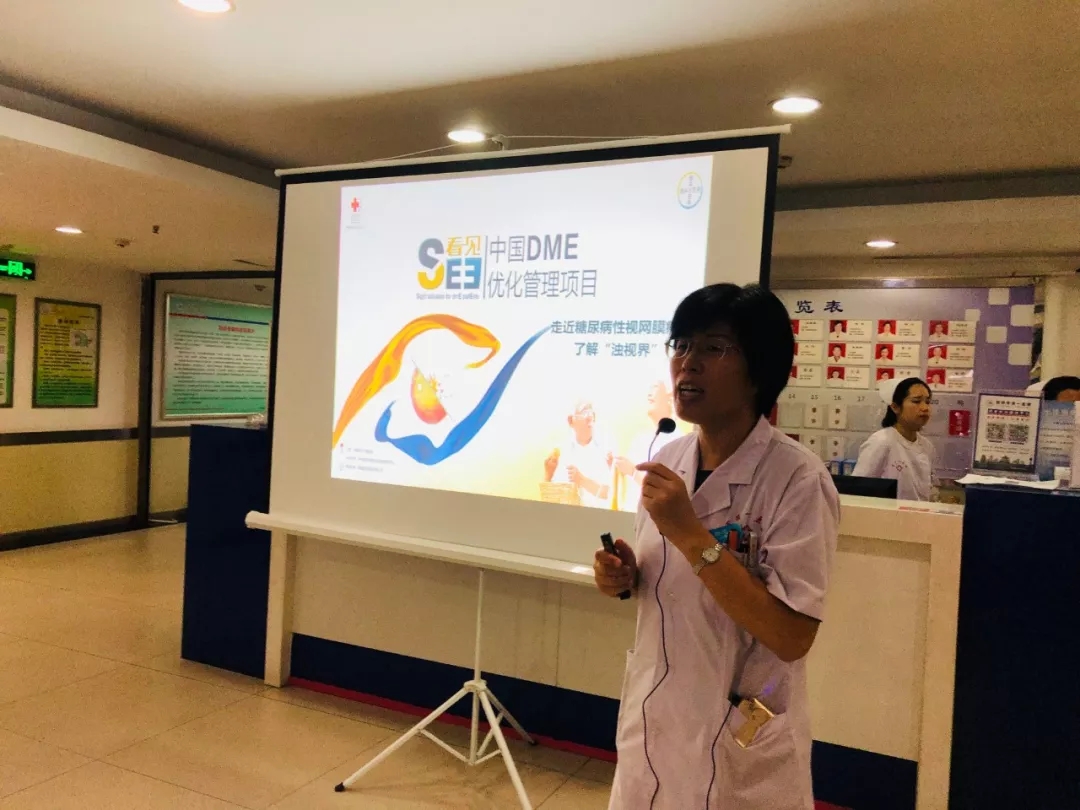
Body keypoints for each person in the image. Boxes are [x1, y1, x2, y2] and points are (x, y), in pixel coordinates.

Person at [593, 283, 838, 809]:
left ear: (759, 370)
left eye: (713, 348)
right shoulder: (669, 462)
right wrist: (625, 577)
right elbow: (671, 588)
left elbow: (792, 635)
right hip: (656, 720)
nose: (687, 363)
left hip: (739, 740)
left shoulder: (796, 478)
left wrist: (689, 534)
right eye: (681, 345)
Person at [852, 377, 936, 501]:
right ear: (895, 407)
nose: (925, 408)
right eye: (916, 401)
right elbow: (857, 490)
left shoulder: (927, 446)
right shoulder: (881, 441)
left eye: (927, 402)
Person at [613, 381, 681, 512]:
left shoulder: (677, 441)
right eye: (648, 389)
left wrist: (633, 472)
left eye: (655, 387)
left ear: (669, 397)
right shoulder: (640, 438)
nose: (649, 394)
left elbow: (666, 492)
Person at [543, 400, 612, 508]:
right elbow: (551, 501)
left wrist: (582, 480)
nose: (589, 417)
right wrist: (548, 475)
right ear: (571, 421)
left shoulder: (607, 449)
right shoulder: (562, 452)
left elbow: (612, 494)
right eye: (583, 413)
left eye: (591, 413)